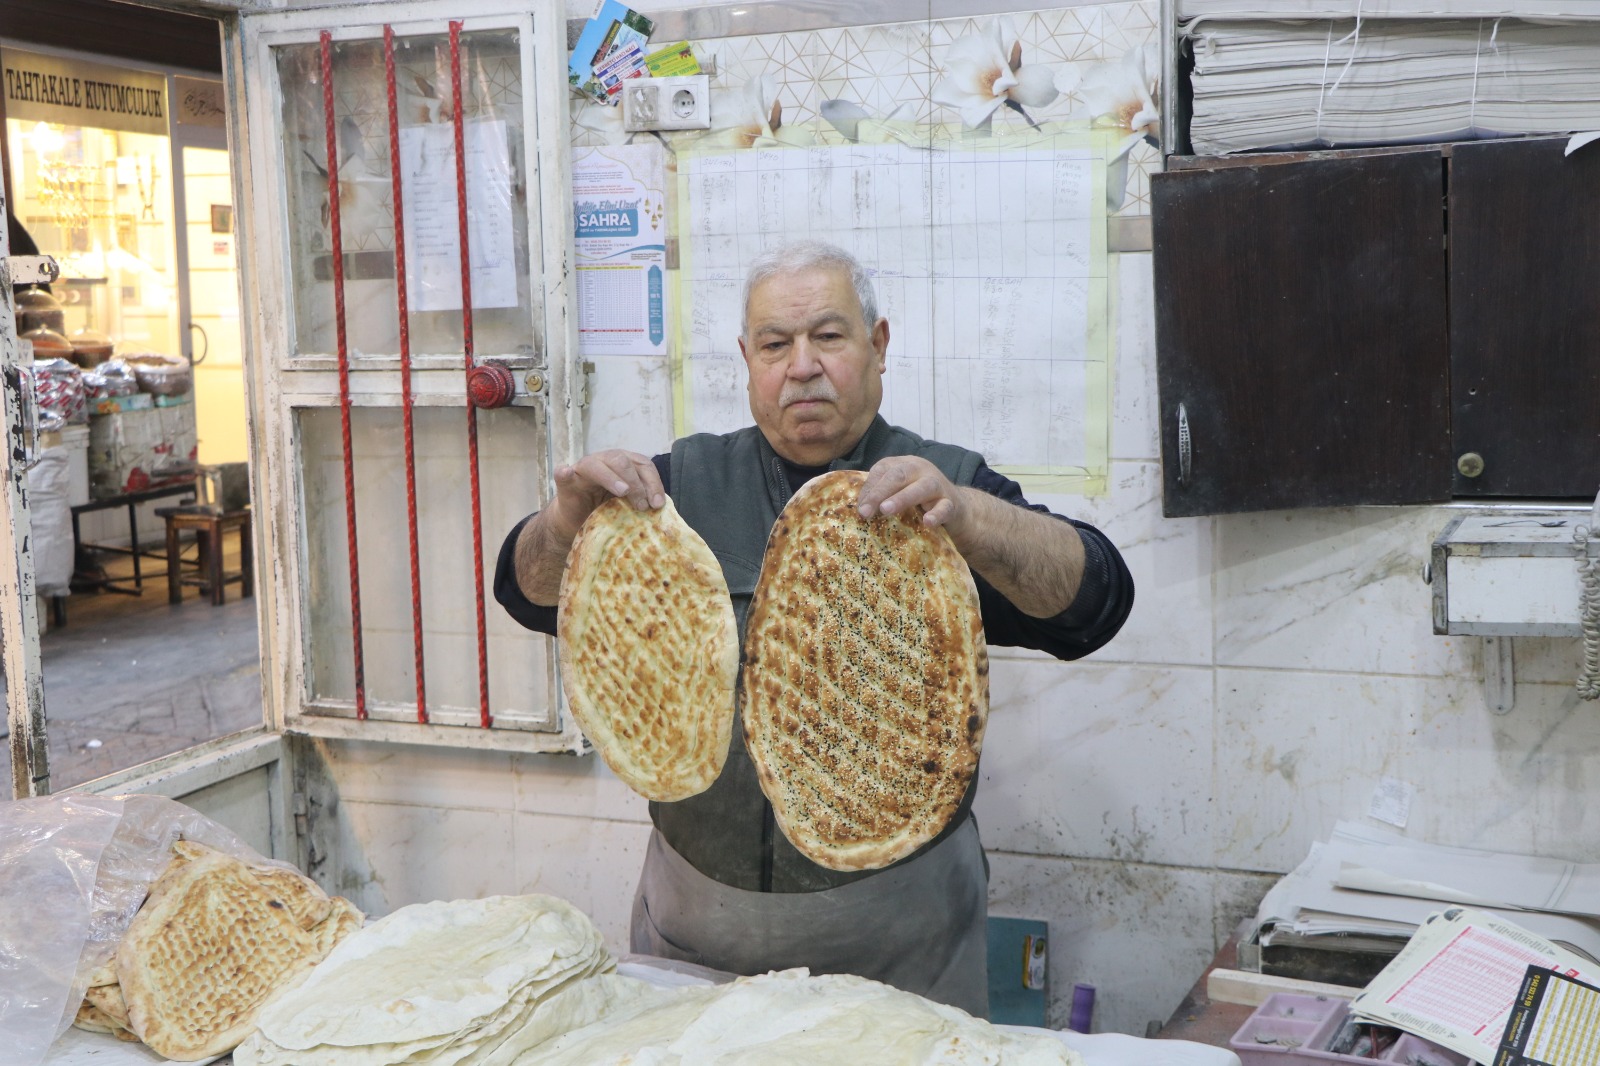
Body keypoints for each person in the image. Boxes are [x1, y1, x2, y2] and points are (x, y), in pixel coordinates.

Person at [494, 240, 1133, 1017]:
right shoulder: (678, 488)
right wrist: (565, 518)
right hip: (699, 922)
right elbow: (527, 594)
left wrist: (968, 520)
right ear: (747, 359)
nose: (801, 365)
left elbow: (1092, 604)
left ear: (878, 345)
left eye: (828, 337)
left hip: (898, 933)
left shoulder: (943, 485)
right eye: (775, 344)